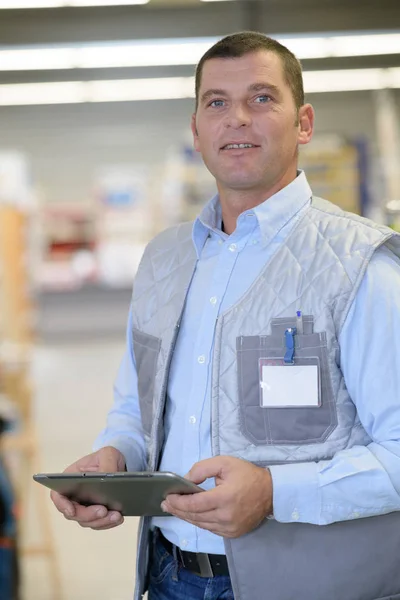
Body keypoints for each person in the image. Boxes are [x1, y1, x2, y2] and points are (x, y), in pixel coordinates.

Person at [51, 31, 400, 600]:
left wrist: (274, 492)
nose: (236, 118)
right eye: (216, 103)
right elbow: (134, 411)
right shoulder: (164, 260)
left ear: (303, 123)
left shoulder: (360, 266)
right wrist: (113, 460)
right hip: (168, 575)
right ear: (196, 130)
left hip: (309, 582)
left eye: (261, 99)